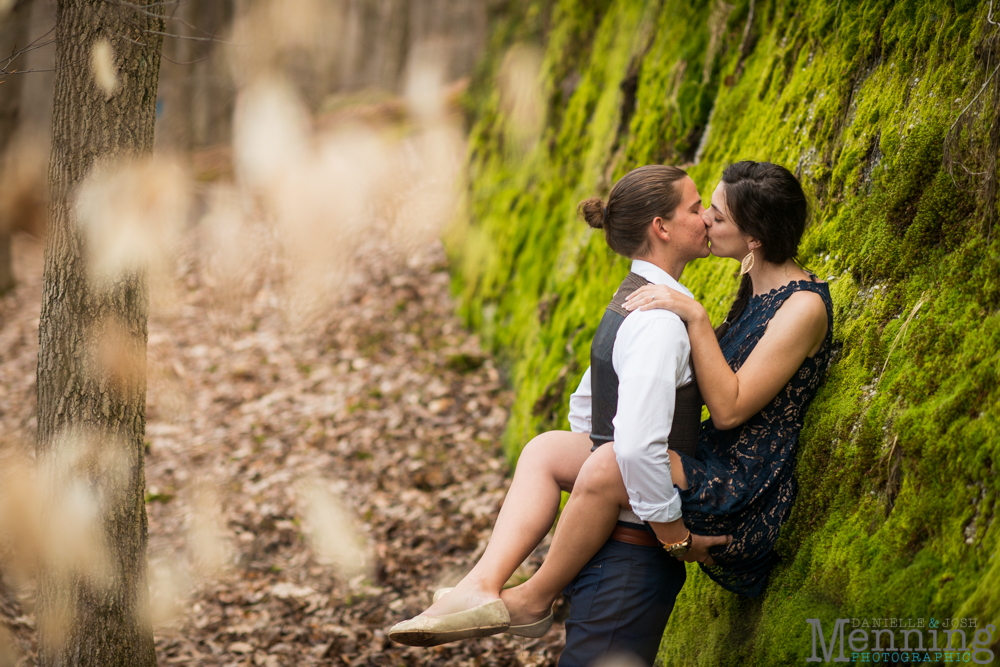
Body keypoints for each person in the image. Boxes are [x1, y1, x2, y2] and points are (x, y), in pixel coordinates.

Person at [392, 161, 834, 667]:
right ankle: (481, 585)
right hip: (706, 454)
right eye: (702, 208)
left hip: (745, 481)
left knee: (610, 463)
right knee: (544, 450)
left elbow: (730, 410)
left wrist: (695, 317)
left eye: (715, 212)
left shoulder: (801, 307)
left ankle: (536, 596)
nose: (707, 220)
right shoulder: (753, 288)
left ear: (754, 237)